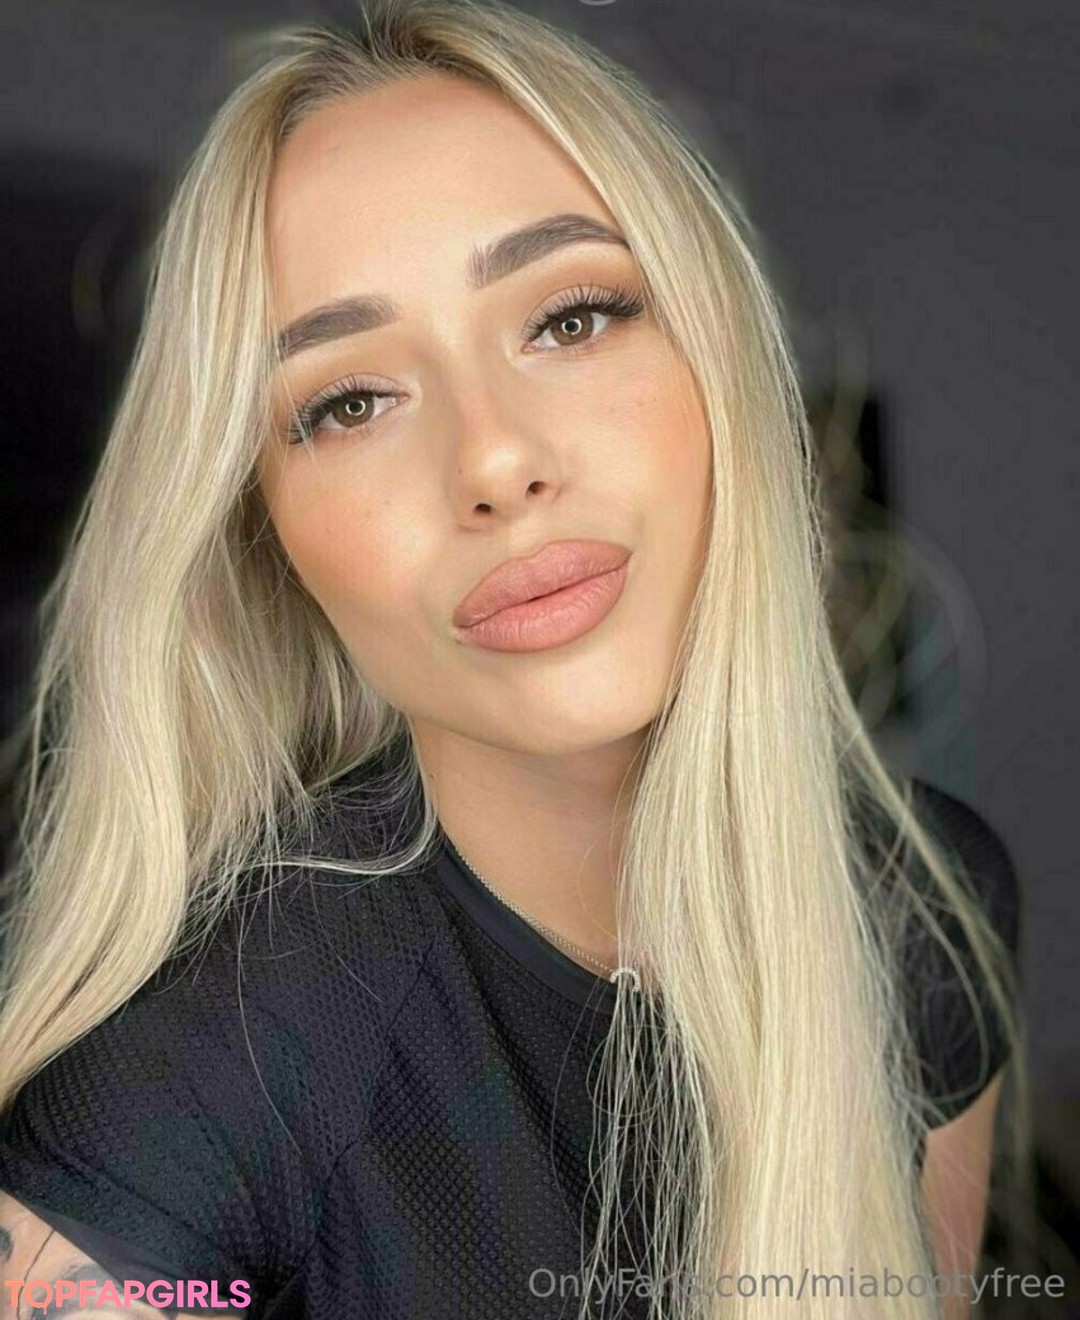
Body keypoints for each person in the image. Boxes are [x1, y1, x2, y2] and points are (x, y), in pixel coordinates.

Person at [0, 1, 1027, 1316]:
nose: (493, 459)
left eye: (573, 318)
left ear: (721, 360)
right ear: (270, 538)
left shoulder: (924, 907)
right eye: (350, 401)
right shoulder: (210, 1073)